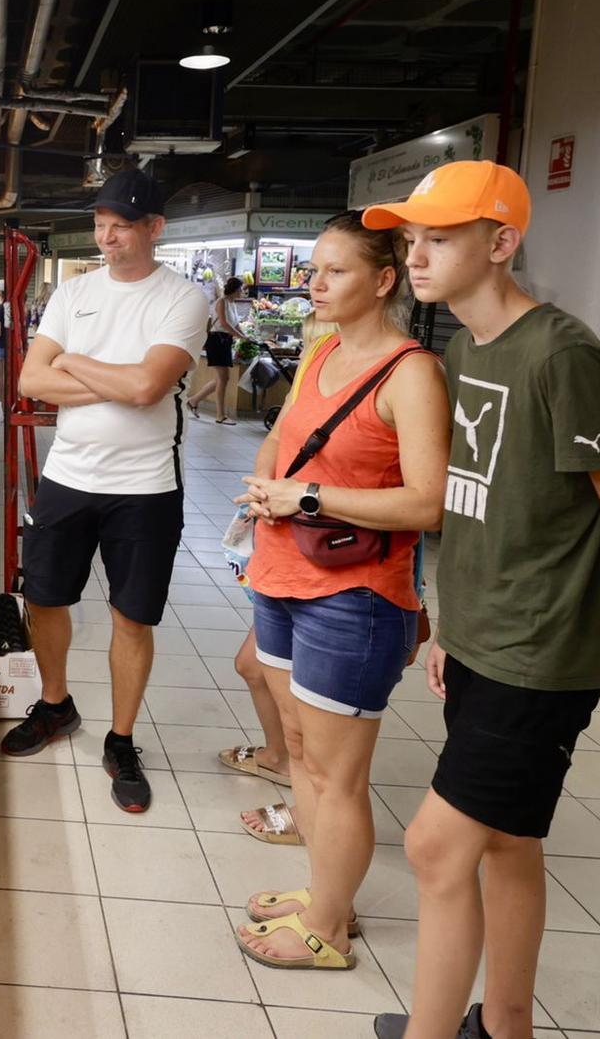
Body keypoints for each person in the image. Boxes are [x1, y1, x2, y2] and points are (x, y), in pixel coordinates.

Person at [359, 163, 600, 1039]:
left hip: (542, 653)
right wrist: (453, 625)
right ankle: (505, 1026)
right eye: (412, 239)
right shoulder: (468, 347)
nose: (418, 256)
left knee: (434, 846)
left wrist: (545, 556)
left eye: (441, 238)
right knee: (507, 843)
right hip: (485, 640)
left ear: (501, 244)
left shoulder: (563, 356)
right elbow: (485, 506)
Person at [229, 212, 449, 973]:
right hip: (284, 575)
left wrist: (308, 498)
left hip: (352, 598)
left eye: (335, 272)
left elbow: (427, 502)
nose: (314, 284)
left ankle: (326, 929)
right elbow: (285, 436)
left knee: (334, 772)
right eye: (313, 269)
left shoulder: (410, 372)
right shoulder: (321, 350)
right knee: (298, 751)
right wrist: (266, 487)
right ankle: (327, 894)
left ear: (384, 282)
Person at [7, 168, 209, 812]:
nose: (108, 236)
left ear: (155, 228)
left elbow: (151, 388)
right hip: (67, 476)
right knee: (43, 600)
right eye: (100, 224)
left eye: (121, 225)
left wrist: (73, 363)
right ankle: (55, 705)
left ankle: (121, 741)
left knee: (132, 616)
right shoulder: (75, 292)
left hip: (145, 488)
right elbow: (31, 383)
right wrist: (114, 378)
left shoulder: (183, 298)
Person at [189, 275, 248, 424]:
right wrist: (240, 336)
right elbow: (224, 323)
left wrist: (244, 335)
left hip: (225, 341)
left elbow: (234, 324)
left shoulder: (232, 304)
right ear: (234, 289)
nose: (243, 292)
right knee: (223, 378)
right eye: (241, 289)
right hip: (216, 340)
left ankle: (193, 401)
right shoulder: (221, 302)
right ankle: (220, 415)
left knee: (222, 379)